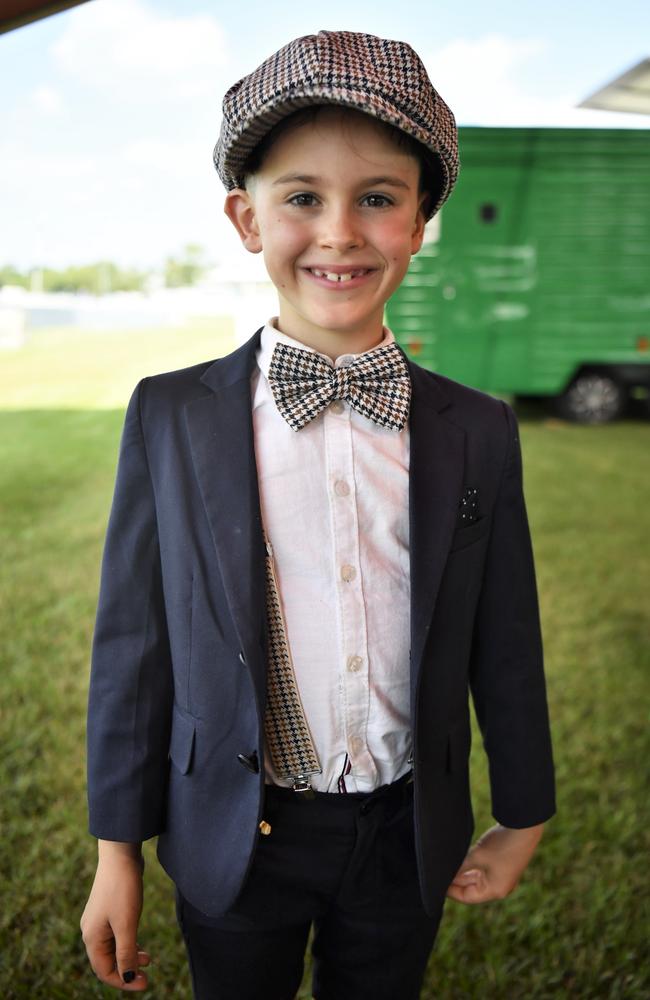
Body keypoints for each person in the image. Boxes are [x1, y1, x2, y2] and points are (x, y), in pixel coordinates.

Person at [80, 29, 555, 1000]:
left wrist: (522, 811)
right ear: (245, 217)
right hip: (232, 831)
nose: (338, 231)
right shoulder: (169, 415)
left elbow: (503, 639)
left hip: (402, 834)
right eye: (301, 197)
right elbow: (134, 648)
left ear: (419, 220)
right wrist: (116, 848)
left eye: (376, 198)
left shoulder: (476, 428)